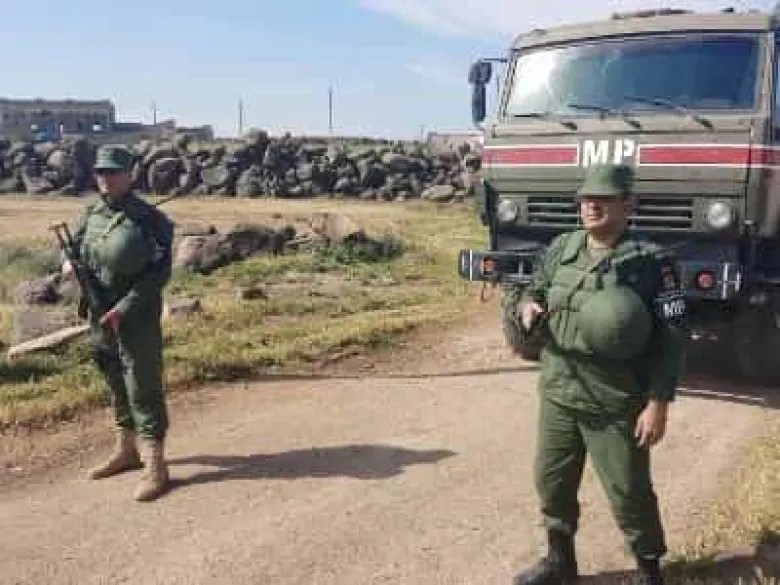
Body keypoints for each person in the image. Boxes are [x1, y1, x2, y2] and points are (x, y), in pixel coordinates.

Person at [512, 164, 688, 585]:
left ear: (628, 205)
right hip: (559, 387)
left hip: (615, 396)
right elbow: (534, 288)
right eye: (587, 199)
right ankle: (560, 562)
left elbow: (672, 336)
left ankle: (648, 569)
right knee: (551, 480)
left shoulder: (652, 262)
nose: (591, 206)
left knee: (628, 490)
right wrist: (527, 306)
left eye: (603, 199)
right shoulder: (563, 247)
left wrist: (658, 403)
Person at [61, 144, 175, 502]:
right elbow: (73, 246)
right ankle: (126, 449)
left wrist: (124, 308)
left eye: (112, 172)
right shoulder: (91, 212)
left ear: (130, 174)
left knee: (142, 381)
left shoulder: (150, 220)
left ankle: (155, 463)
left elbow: (158, 274)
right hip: (98, 309)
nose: (105, 178)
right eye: (100, 172)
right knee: (112, 373)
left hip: (135, 313)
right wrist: (67, 262)